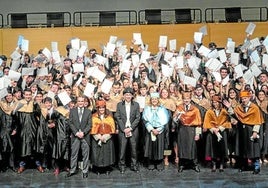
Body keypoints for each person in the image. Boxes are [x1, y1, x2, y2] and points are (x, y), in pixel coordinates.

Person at [223, 90, 264, 174]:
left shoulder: (254, 108)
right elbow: (235, 115)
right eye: (242, 99)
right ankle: (245, 165)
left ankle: (256, 166)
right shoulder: (239, 107)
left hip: (251, 129)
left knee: (253, 148)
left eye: (245, 98)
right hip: (241, 130)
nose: (243, 100)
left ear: (249, 98)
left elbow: (257, 121)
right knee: (243, 148)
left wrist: (255, 132)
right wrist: (229, 107)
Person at [172, 91, 202, 173]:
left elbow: (199, 123)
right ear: (182, 99)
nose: (186, 100)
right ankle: (181, 165)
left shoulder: (195, 109)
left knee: (193, 148)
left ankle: (194, 164)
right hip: (182, 130)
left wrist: (197, 134)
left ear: (190, 99)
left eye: (188, 99)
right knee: (182, 147)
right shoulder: (179, 108)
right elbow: (174, 120)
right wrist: (177, 116)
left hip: (191, 130)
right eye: (184, 99)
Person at [15, 88, 43, 174]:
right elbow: (15, 119)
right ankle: (22, 165)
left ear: (31, 95)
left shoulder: (34, 104)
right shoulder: (19, 104)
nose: (28, 96)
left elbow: (40, 116)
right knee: (23, 148)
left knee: (34, 147)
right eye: (26, 95)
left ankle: (38, 164)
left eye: (29, 95)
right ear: (23, 95)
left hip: (34, 130)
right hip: (22, 130)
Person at [115, 87, 140, 173]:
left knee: (134, 149)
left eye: (130, 95)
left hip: (133, 130)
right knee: (122, 149)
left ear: (132, 96)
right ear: (124, 96)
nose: (128, 96)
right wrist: (124, 129)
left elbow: (138, 118)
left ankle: (134, 165)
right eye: (126, 94)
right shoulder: (119, 105)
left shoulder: (136, 105)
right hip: (123, 130)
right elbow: (117, 117)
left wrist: (130, 128)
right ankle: (122, 166)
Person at [203, 95, 231, 172]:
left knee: (222, 147)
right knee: (212, 148)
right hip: (212, 132)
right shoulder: (209, 111)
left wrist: (220, 128)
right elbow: (207, 122)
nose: (215, 104)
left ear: (219, 103)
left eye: (216, 102)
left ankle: (221, 164)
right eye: (213, 102)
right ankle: (214, 164)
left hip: (222, 131)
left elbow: (227, 121)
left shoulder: (224, 111)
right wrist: (213, 129)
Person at [142, 92, 170, 171]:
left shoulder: (162, 109)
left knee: (159, 146)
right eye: (152, 99)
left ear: (158, 100)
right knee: (150, 146)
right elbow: (144, 120)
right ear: (150, 100)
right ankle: (151, 162)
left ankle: (159, 162)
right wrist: (151, 129)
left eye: (156, 99)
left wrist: (158, 129)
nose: (154, 100)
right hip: (150, 130)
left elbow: (165, 120)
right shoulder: (147, 108)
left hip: (159, 131)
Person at [66, 96, 92, 178]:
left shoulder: (88, 111)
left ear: (84, 102)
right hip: (75, 136)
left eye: (82, 101)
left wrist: (83, 133)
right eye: (79, 101)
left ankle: (85, 171)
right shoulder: (72, 111)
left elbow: (89, 124)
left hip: (85, 136)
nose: (80, 103)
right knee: (74, 154)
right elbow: (70, 123)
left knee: (85, 154)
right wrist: (76, 132)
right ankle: (72, 170)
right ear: (77, 102)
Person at [91, 100, 116, 175]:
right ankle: (97, 169)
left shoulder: (109, 117)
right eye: (100, 108)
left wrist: (105, 136)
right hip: (96, 138)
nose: (101, 109)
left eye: (103, 108)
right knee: (97, 154)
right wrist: (98, 137)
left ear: (105, 108)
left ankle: (107, 168)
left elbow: (112, 128)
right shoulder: (93, 117)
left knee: (107, 153)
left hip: (107, 138)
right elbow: (92, 128)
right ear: (97, 108)